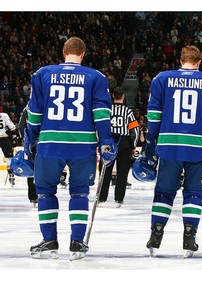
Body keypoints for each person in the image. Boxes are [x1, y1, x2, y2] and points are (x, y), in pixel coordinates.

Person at [24, 36, 117, 261]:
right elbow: (101, 113)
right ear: (83, 54)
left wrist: (30, 140)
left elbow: (34, 113)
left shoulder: (43, 74)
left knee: (45, 191)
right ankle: (77, 242)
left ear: (63, 52)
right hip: (82, 145)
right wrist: (105, 140)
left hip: (50, 142)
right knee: (80, 192)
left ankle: (49, 241)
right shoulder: (96, 77)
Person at [143, 45, 202, 258]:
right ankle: (189, 237)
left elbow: (153, 116)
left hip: (170, 145)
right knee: (194, 193)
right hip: (200, 148)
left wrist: (153, 140)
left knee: (164, 192)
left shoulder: (162, 79)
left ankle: (156, 233)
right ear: (199, 62)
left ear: (181, 60)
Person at [98, 86, 140, 208]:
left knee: (105, 172)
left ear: (112, 96)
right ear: (123, 96)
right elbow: (135, 130)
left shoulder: (107, 110)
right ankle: (119, 199)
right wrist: (133, 144)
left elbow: (100, 127)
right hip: (124, 143)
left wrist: (100, 142)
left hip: (108, 142)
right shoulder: (128, 111)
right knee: (122, 173)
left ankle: (101, 198)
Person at [0, 109, 19, 187]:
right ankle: (11, 174)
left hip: (4, 138)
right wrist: (14, 137)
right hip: (4, 138)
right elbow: (13, 128)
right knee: (9, 158)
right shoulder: (4, 115)